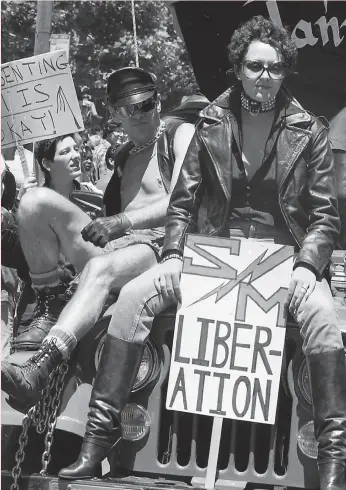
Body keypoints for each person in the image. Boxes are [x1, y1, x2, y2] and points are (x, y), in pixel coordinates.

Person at [57, 17, 345, 488]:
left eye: (274, 68)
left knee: (321, 316)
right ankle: (96, 446)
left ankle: (332, 462)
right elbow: (182, 204)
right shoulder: (210, 121)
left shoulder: (308, 129)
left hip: (283, 261)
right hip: (211, 257)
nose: (265, 76)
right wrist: (171, 255)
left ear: (284, 71)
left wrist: (309, 265)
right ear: (239, 68)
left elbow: (323, 215)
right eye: (255, 66)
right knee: (132, 299)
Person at [1, 67, 195, 403]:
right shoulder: (122, 159)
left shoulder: (180, 133)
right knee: (34, 202)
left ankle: (40, 367)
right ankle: (50, 305)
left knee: (99, 270)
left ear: (158, 102)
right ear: (116, 114)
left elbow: (183, 197)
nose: (137, 115)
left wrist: (121, 221)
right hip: (120, 247)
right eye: (128, 108)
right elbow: (102, 221)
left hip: (163, 247)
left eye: (145, 105)